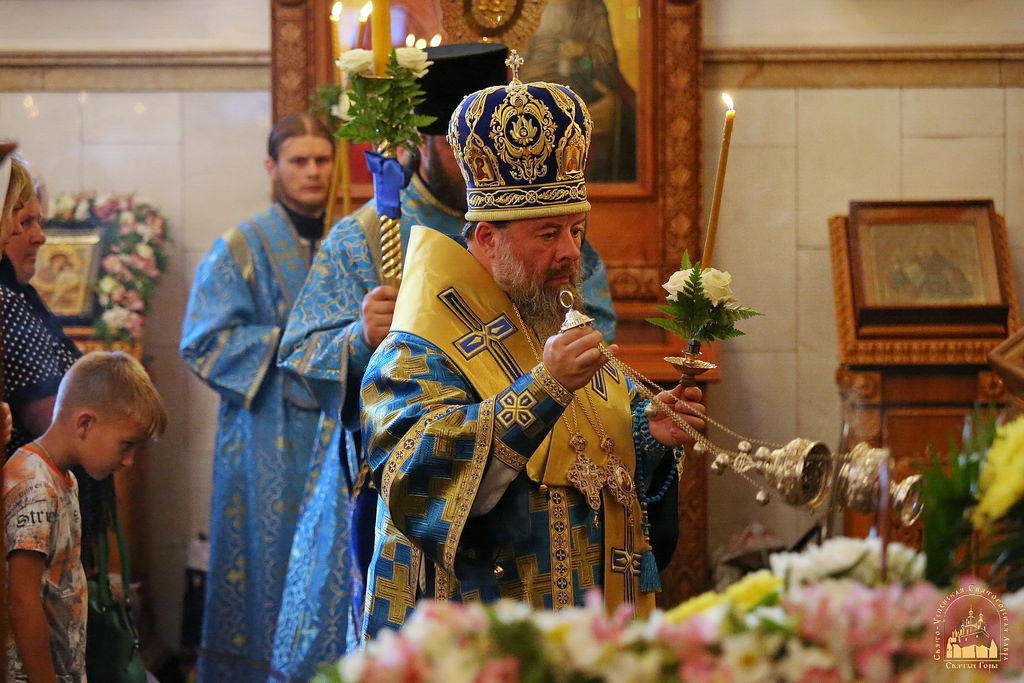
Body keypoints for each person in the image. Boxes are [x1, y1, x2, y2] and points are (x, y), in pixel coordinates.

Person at [271, 42, 617, 677]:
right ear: (429, 142)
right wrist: (357, 339)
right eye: (462, 148)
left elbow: (591, 325)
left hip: (549, 492)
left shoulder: (550, 221)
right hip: (405, 479)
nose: (479, 164)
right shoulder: (364, 236)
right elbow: (298, 358)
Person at [359, 55, 706, 637]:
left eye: (576, 230)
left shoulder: (549, 318)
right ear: (488, 238)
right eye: (548, 234)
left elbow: (590, 456)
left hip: (579, 632)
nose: (571, 252)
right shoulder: (416, 349)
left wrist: (648, 433)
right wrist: (545, 388)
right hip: (475, 637)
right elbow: (416, 483)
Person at [179, 112, 335, 682]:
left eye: (322, 159)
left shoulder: (349, 241)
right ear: (273, 167)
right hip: (265, 434)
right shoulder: (240, 247)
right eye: (299, 160)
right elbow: (201, 340)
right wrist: (295, 343)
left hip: (333, 433)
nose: (312, 171)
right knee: (268, 561)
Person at [3, 350, 166, 683]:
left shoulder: (64, 478)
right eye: (126, 445)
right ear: (85, 423)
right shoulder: (35, 486)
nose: (129, 461)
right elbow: (21, 600)